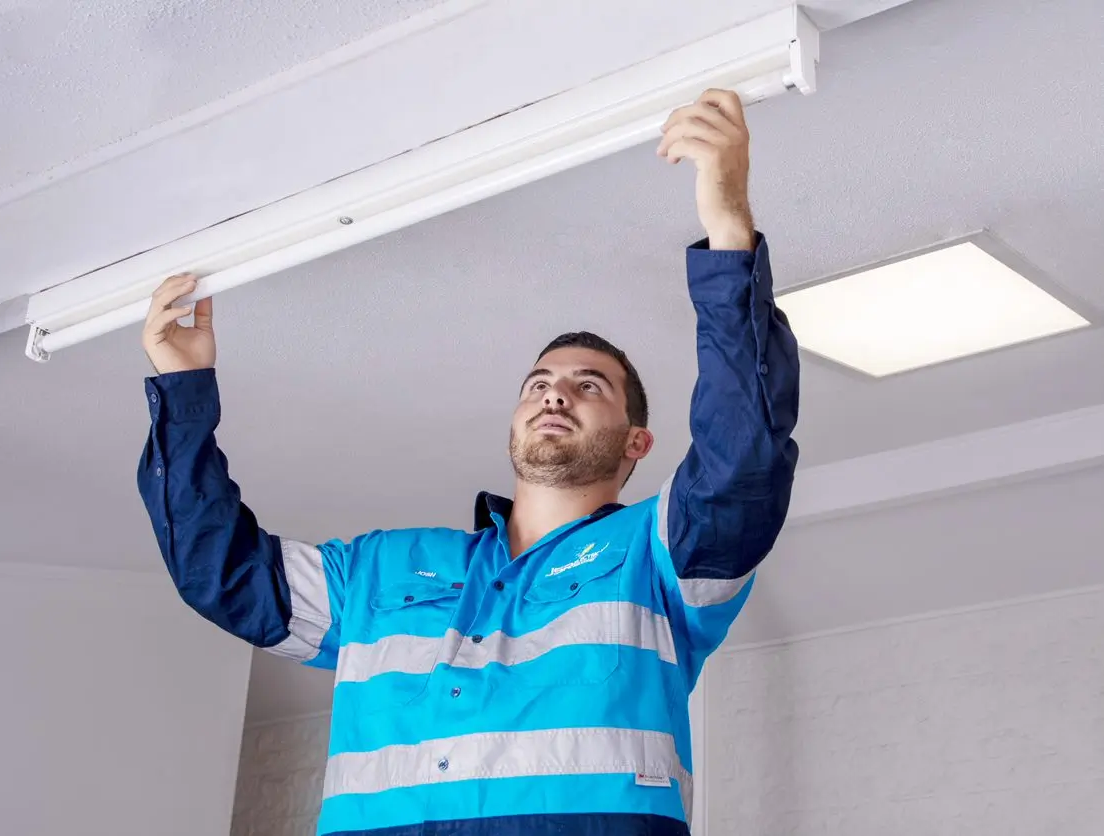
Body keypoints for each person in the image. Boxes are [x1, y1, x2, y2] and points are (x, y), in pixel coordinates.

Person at [137, 88, 799, 836]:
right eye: (538, 385)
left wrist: (727, 233)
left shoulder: (656, 557)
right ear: (514, 421)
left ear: (635, 443)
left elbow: (742, 459)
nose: (555, 396)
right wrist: (182, 389)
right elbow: (215, 569)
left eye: (590, 387)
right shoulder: (375, 574)